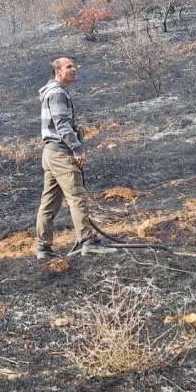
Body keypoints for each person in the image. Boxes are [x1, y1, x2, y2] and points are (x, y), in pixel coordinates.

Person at [36, 57, 115, 259]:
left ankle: (43, 248)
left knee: (50, 202)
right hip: (61, 153)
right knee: (77, 196)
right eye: (69, 67)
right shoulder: (57, 93)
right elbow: (61, 124)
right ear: (58, 72)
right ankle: (88, 242)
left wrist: (74, 128)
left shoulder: (52, 91)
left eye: (74, 66)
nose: (74, 69)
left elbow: (59, 123)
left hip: (50, 152)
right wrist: (77, 149)